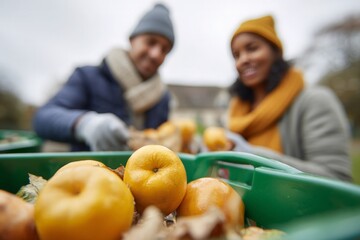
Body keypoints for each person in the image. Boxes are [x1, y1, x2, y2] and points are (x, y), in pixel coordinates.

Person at [223, 15, 351, 181]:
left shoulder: (315, 101)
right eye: (236, 55)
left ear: (275, 52)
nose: (243, 60)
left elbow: (336, 178)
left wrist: (250, 155)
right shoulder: (236, 111)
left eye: (252, 48)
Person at [33, 3, 175, 151]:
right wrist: (84, 124)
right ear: (132, 40)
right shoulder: (87, 77)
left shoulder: (162, 98)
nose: (155, 54)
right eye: (150, 42)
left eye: (164, 50)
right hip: (88, 170)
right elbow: (43, 119)